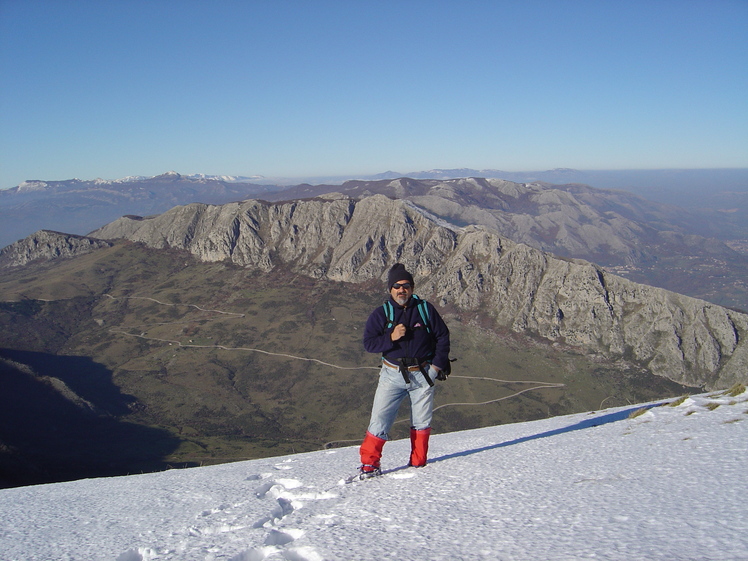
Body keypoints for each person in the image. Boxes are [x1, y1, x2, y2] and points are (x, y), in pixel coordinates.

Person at [358, 263, 450, 477]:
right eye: (397, 286)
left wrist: (436, 367)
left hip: (423, 373)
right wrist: (391, 337)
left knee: (422, 422)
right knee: (379, 420)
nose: (402, 290)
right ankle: (369, 465)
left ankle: (418, 464)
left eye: (406, 285)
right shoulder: (382, 314)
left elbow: (442, 337)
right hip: (392, 375)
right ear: (390, 289)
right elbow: (369, 344)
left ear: (412, 288)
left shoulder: (425, 310)